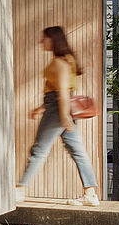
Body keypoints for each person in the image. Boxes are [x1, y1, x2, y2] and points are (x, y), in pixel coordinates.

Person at [16, 25, 100, 206]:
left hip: (58, 109)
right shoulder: (68, 60)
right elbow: (59, 90)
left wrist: (63, 116)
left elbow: (62, 91)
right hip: (59, 107)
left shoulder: (59, 63)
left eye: (44, 38)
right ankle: (90, 194)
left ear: (53, 39)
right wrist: (42, 107)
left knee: (39, 149)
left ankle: (19, 189)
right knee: (77, 150)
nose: (41, 42)